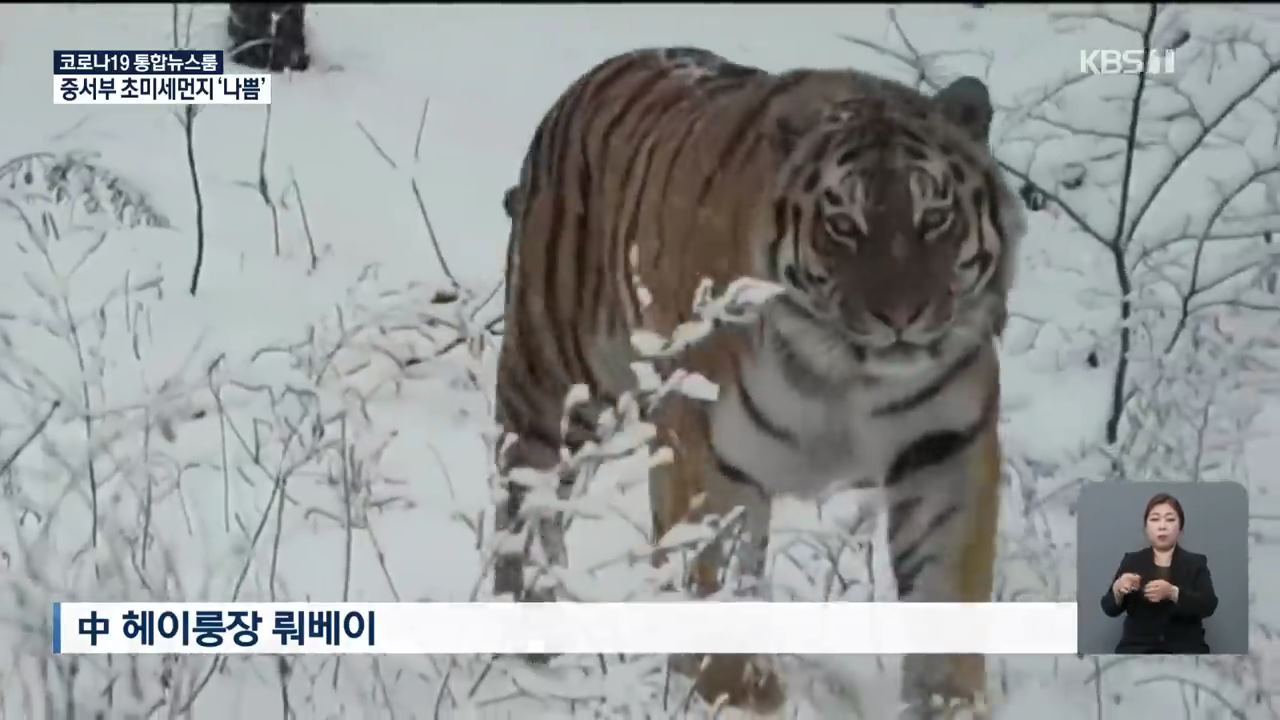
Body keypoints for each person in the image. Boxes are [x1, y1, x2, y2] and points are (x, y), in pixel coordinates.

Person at [1100, 492, 1219, 654]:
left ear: (1181, 529)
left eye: (1170, 519)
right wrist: (1118, 588)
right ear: (1146, 528)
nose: (1162, 526)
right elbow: (1109, 608)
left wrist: (1172, 593)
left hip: (1185, 650)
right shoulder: (1131, 561)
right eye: (1155, 519)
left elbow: (1208, 605)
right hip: (1137, 650)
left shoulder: (1196, 562)